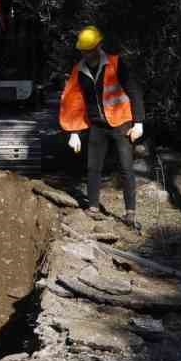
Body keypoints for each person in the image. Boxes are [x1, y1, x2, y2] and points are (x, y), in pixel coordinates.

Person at [59, 25, 145, 227]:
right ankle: (94, 208)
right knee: (93, 168)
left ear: (98, 46)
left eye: (88, 49)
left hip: (121, 123)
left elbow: (134, 91)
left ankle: (130, 213)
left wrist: (139, 122)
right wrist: (73, 132)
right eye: (83, 50)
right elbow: (72, 100)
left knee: (126, 167)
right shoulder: (79, 71)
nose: (85, 53)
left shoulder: (116, 64)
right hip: (97, 125)